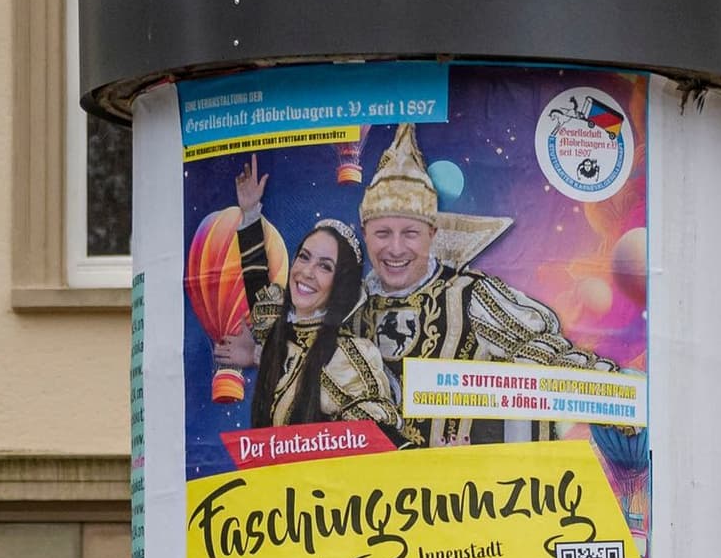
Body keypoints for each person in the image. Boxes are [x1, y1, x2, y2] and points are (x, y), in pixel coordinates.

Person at [346, 122, 617, 448]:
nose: (395, 248)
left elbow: (545, 354)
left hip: (467, 490)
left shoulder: (469, 295)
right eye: (382, 233)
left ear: (433, 235)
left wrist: (614, 395)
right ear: (365, 235)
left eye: (410, 233)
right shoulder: (351, 310)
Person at [206, 158, 407, 441]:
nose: (307, 273)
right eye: (304, 257)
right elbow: (256, 281)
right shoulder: (275, 329)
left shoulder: (347, 355)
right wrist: (250, 211)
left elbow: (379, 438)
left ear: (341, 286)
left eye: (325, 266)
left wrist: (447, 467)